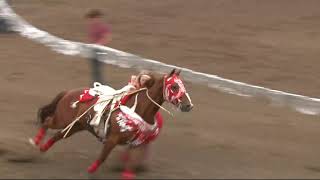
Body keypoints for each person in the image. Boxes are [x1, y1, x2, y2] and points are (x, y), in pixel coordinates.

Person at [85, 9, 112, 85]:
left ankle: (101, 85)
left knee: (99, 70)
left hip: (100, 50)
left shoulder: (103, 27)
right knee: (94, 70)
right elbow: (91, 38)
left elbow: (107, 37)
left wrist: (99, 44)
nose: (92, 20)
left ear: (97, 17)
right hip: (92, 50)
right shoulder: (91, 27)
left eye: (93, 18)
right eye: (91, 18)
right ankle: (95, 85)